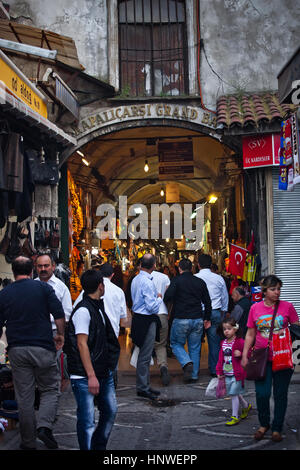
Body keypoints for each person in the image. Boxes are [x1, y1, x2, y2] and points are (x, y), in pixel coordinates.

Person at [0, 256, 65, 450]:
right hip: (42, 347)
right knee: (50, 389)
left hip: (17, 350)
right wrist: (60, 335)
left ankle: (28, 442)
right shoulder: (44, 288)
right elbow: (59, 314)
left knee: (24, 396)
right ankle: (44, 426)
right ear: (32, 271)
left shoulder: (5, 293)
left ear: (13, 272)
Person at [64, 269, 120, 450]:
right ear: (100, 287)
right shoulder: (83, 311)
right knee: (87, 420)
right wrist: (91, 376)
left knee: (110, 411)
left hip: (103, 372)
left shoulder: (97, 308)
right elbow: (82, 344)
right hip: (85, 376)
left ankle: (97, 446)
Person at [241, 275, 300, 443]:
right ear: (264, 291)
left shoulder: (287, 307)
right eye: (273, 289)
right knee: (262, 393)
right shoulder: (255, 309)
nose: (277, 292)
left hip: (283, 358)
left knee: (280, 394)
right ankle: (264, 423)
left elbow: (296, 329)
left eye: (279, 289)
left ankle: (277, 428)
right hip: (262, 358)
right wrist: (245, 354)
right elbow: (251, 333)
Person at [164, 258, 212, 383]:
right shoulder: (199, 282)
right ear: (192, 268)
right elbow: (207, 301)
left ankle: (186, 363)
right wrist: (207, 317)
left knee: (175, 344)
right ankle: (194, 375)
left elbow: (167, 296)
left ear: (179, 269)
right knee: (195, 348)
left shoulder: (176, 281)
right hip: (197, 319)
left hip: (181, 318)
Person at [35, 252, 73, 398]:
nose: (43, 269)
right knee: (38, 366)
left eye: (46, 265)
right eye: (40, 266)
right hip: (36, 332)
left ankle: (52, 398)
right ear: (36, 267)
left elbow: (67, 313)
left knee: (53, 367)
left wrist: (60, 333)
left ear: (53, 266)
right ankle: (41, 397)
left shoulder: (61, 287)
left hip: (54, 332)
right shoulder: (33, 284)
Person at [130, 254, 162, 400]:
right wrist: (159, 298)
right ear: (154, 265)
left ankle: (145, 385)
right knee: (145, 355)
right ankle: (143, 387)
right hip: (146, 320)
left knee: (144, 354)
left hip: (138, 319)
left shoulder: (135, 279)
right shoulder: (147, 282)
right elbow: (151, 307)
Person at [195, 253, 229, 376]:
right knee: (214, 343)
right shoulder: (219, 278)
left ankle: (195, 371)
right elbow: (225, 297)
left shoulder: (195, 278)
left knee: (195, 343)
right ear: (210, 265)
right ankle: (215, 370)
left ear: (198, 265)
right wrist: (223, 312)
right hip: (215, 312)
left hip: (198, 313)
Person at [216, 316, 251, 426]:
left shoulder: (240, 342)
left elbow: (249, 352)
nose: (226, 331)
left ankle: (235, 416)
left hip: (237, 373)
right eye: (224, 329)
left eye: (229, 328)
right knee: (235, 392)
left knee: (233, 394)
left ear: (235, 329)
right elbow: (220, 358)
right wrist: (219, 371)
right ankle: (246, 406)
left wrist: (241, 354)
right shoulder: (223, 343)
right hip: (227, 373)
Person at [151, 269, 171, 386]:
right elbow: (168, 294)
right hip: (162, 312)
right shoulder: (164, 277)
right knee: (161, 345)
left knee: (145, 345)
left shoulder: (138, 278)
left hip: (147, 315)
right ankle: (163, 366)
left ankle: (143, 375)